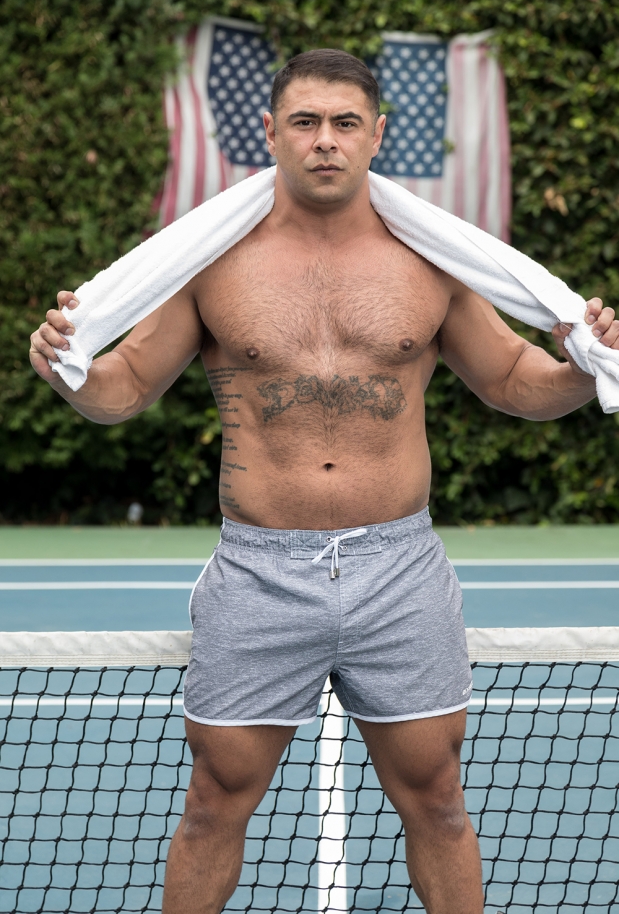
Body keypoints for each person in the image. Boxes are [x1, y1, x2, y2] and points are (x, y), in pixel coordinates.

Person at [29, 49, 619, 914]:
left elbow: (509, 381)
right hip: (258, 572)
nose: (325, 141)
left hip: (399, 571)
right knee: (213, 802)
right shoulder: (210, 264)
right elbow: (121, 391)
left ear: (377, 134)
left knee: (438, 801)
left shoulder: (431, 262)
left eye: (345, 123)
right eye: (304, 122)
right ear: (270, 132)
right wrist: (66, 370)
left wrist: (578, 368)